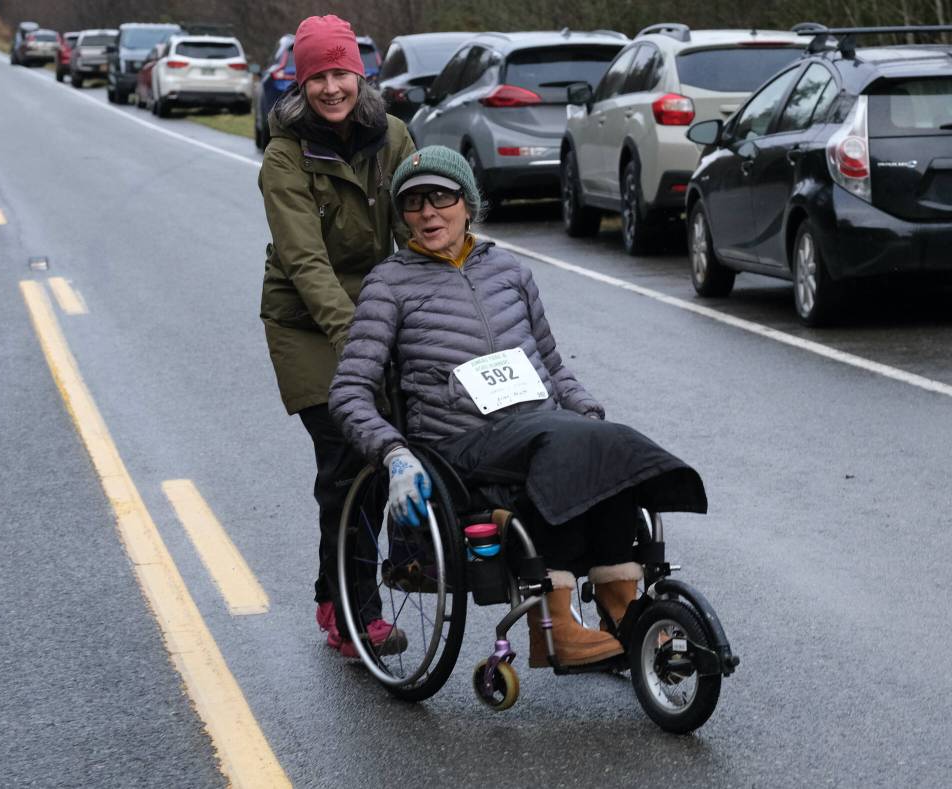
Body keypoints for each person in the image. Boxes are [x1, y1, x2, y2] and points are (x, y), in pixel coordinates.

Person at [329, 146, 708, 668]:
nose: (428, 212)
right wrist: (394, 455)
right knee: (561, 445)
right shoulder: (389, 284)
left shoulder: (509, 270)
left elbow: (552, 364)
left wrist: (588, 413)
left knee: (602, 446)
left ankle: (624, 612)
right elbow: (348, 391)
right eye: (413, 202)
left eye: (441, 196)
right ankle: (552, 628)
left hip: (538, 424)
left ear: (468, 204)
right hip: (458, 443)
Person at [258, 14, 415, 657]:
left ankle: (333, 593)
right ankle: (357, 616)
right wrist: (358, 340)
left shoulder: (394, 136)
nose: (330, 87)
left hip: (375, 309)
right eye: (317, 74)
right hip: (307, 322)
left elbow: (423, 224)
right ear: (302, 82)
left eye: (340, 72)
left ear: (361, 74)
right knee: (350, 457)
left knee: (401, 440)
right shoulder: (284, 155)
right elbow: (306, 262)